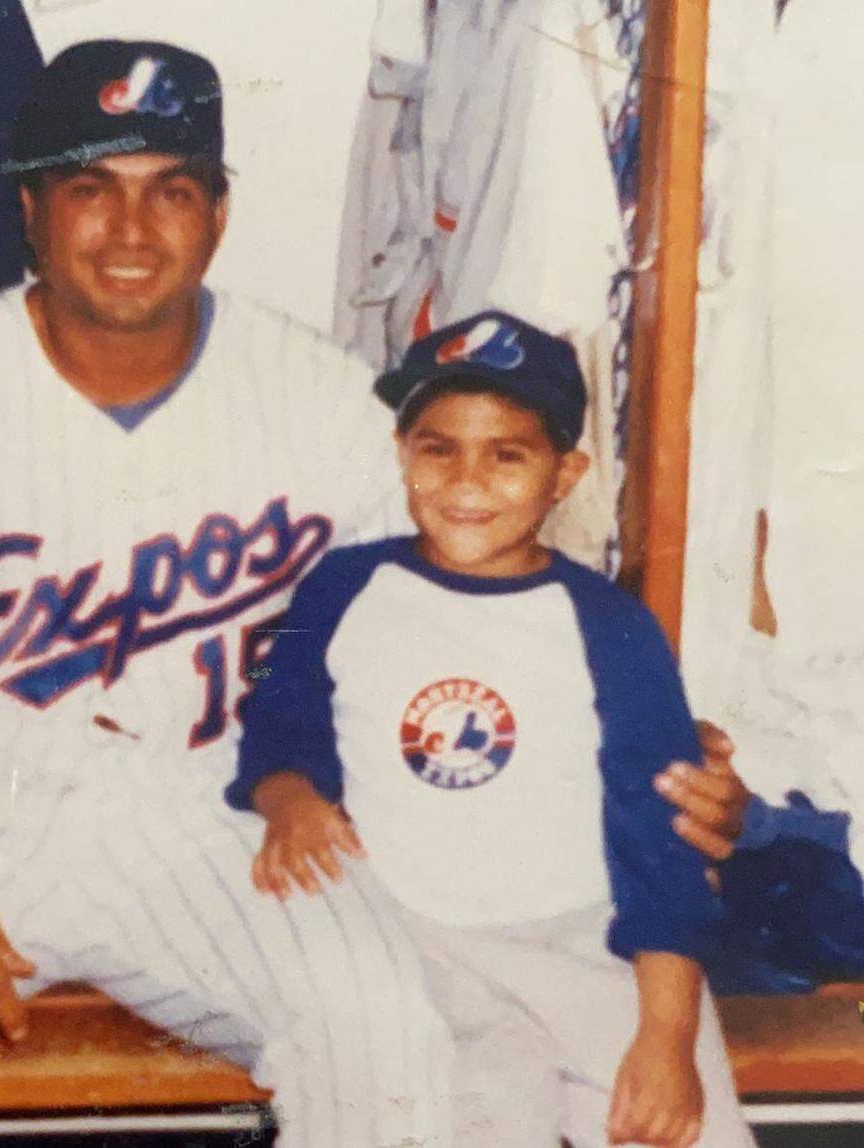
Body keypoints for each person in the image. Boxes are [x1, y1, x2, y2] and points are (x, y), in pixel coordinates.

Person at [0, 36, 745, 1148]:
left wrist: (656, 755)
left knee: (384, 1025)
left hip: (217, 807)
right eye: (89, 189)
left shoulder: (325, 402)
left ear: (218, 212)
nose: (129, 230)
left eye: (171, 190)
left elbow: (488, 604)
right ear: (31, 209)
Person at [227, 311, 755, 1147]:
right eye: (439, 448)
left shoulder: (611, 627)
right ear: (403, 452)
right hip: (418, 951)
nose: (467, 480)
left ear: (565, 472)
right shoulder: (341, 587)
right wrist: (288, 796)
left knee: (679, 1128)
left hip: (592, 950)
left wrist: (665, 1034)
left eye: (508, 454)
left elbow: (664, 840)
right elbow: (277, 719)